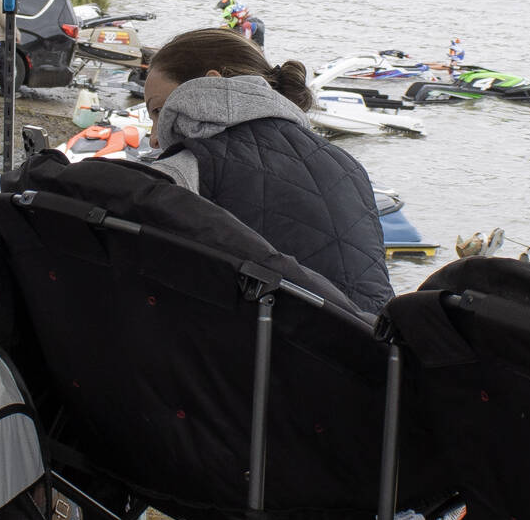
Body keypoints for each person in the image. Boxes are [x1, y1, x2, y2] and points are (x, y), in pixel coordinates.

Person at [143, 28, 392, 314]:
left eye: (159, 111)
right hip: (369, 338)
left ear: (211, 86)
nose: (154, 138)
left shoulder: (185, 168)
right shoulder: (348, 165)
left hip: (262, 340)